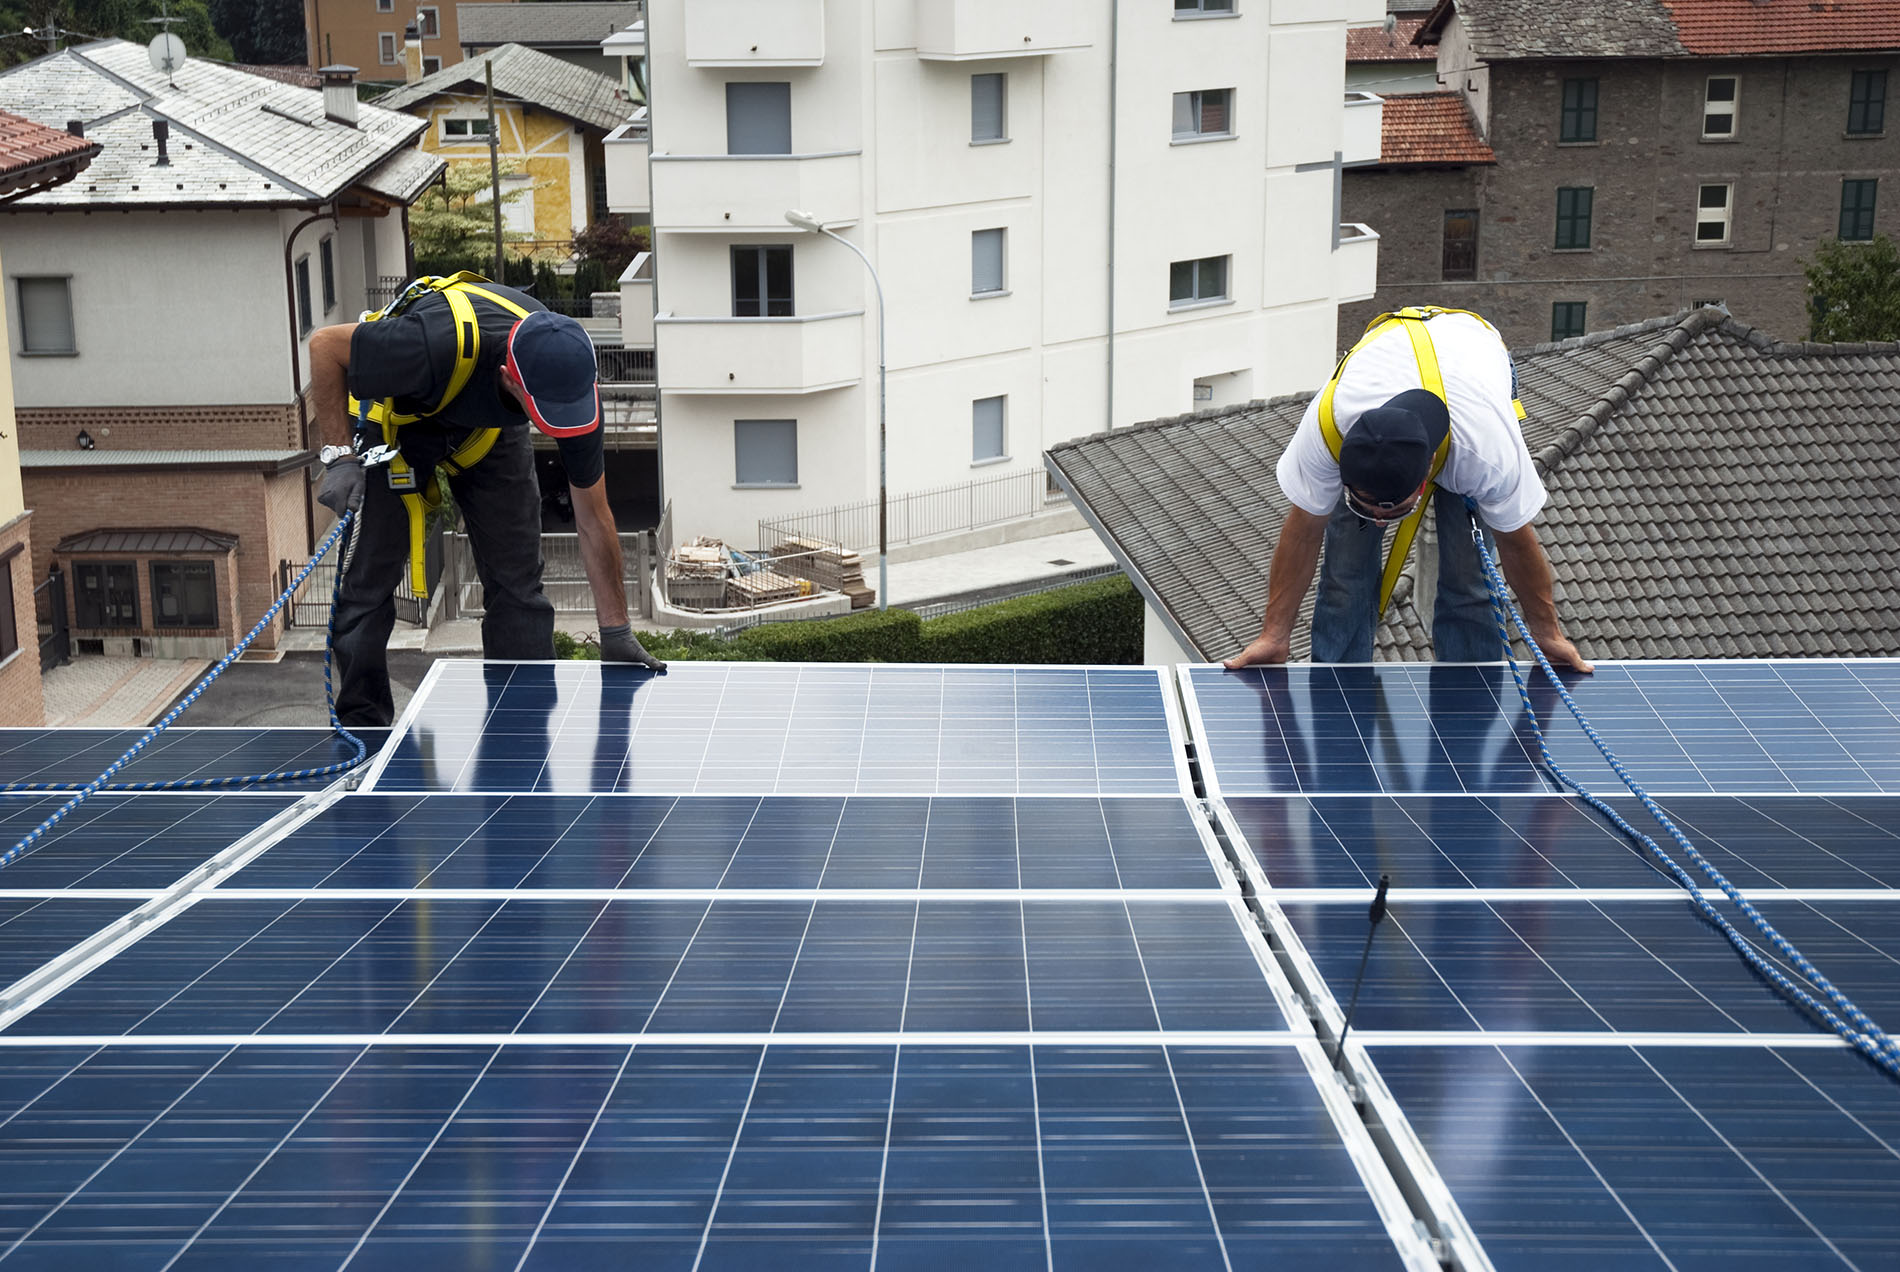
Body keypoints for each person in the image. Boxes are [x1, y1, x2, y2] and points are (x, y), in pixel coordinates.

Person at [308, 272, 664, 727]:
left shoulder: (568, 376)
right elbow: (324, 347)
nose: (554, 428)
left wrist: (615, 630)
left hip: (488, 428)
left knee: (519, 581)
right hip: (402, 417)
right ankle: (364, 721)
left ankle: (522, 722)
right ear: (511, 380)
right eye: (545, 417)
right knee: (370, 580)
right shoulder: (428, 342)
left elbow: (593, 515)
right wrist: (338, 456)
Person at [1225, 306, 1591, 673]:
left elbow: (1516, 541)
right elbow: (1304, 531)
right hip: (1393, 352)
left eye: (1396, 510)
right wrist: (1274, 635)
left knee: (1469, 581)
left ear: (1429, 471)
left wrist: (1548, 635)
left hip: (1470, 354)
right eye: (1365, 508)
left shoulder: (1485, 452)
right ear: (1345, 473)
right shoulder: (1327, 430)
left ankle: (1467, 702)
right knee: (1343, 575)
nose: (1381, 523)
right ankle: (1339, 690)